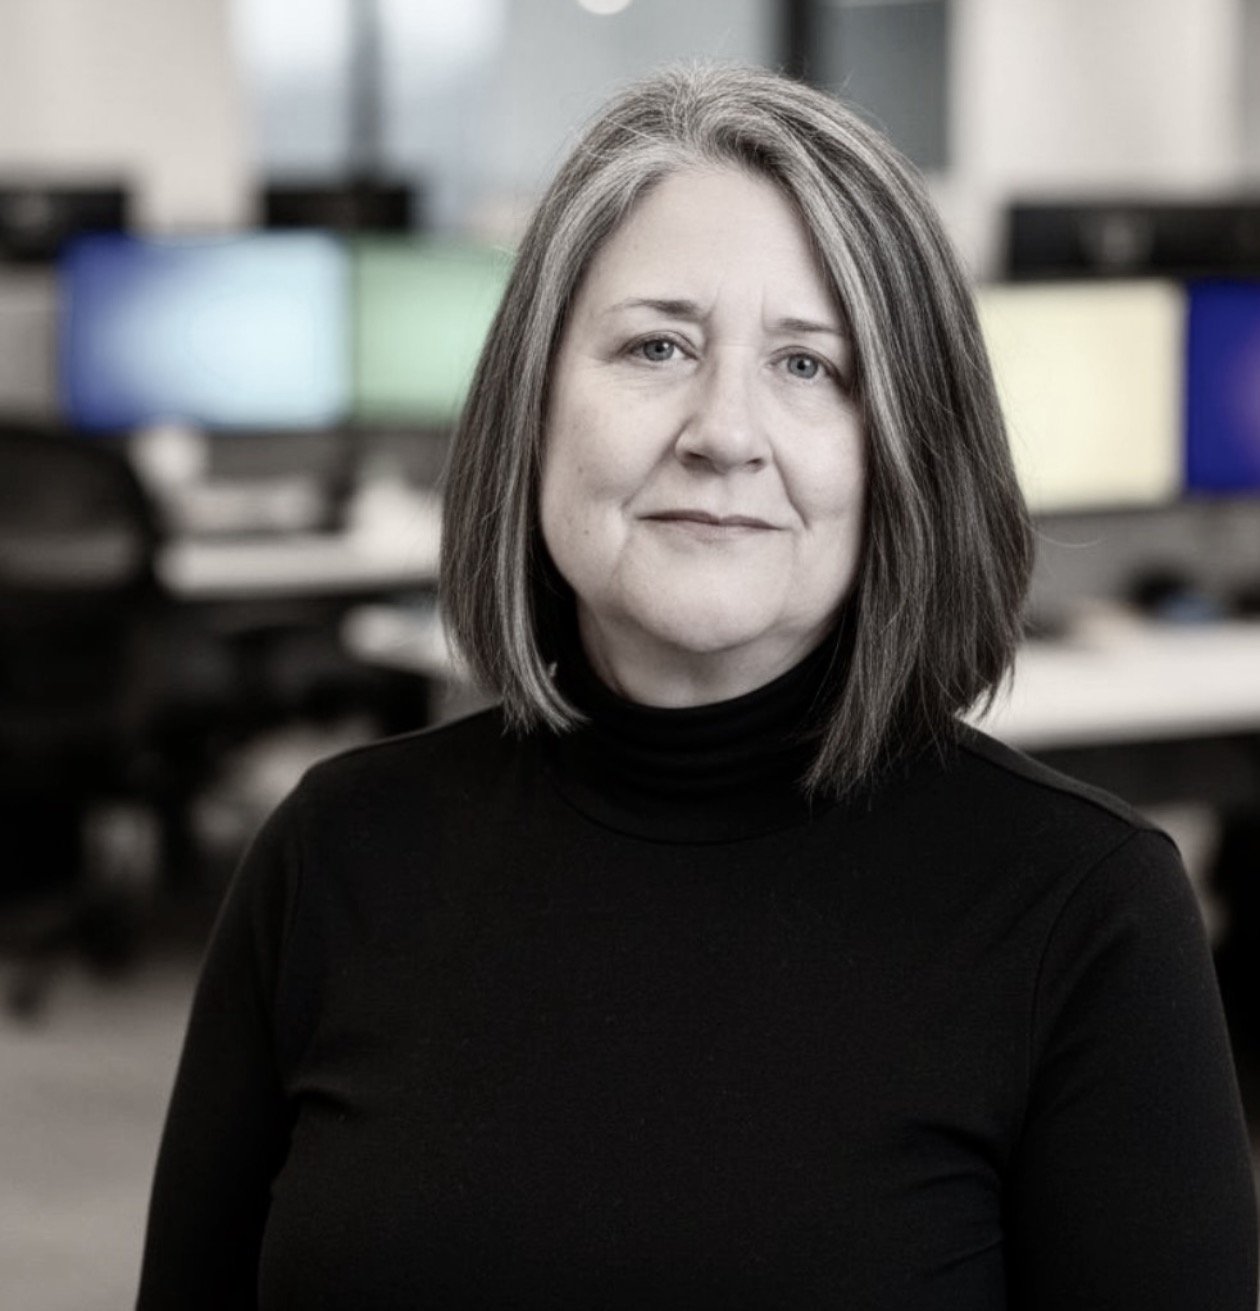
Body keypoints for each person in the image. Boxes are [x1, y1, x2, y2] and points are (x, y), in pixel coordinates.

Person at [136, 64, 1257, 1308]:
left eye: (810, 367)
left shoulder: (1086, 914)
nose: (724, 430)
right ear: (533, 405)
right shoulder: (332, 857)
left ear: (907, 451)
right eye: (656, 345)